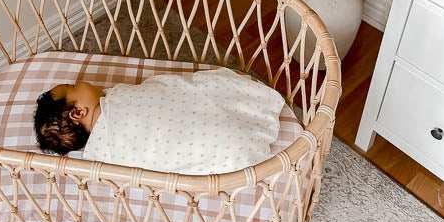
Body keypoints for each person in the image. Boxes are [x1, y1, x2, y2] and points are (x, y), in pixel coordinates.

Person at [33, 68, 285, 175]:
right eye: (73, 85)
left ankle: (236, 140)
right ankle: (242, 123)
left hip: (191, 117)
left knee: (195, 110)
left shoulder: (100, 157)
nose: (80, 80)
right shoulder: (115, 104)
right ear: (78, 112)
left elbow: (161, 93)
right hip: (184, 134)